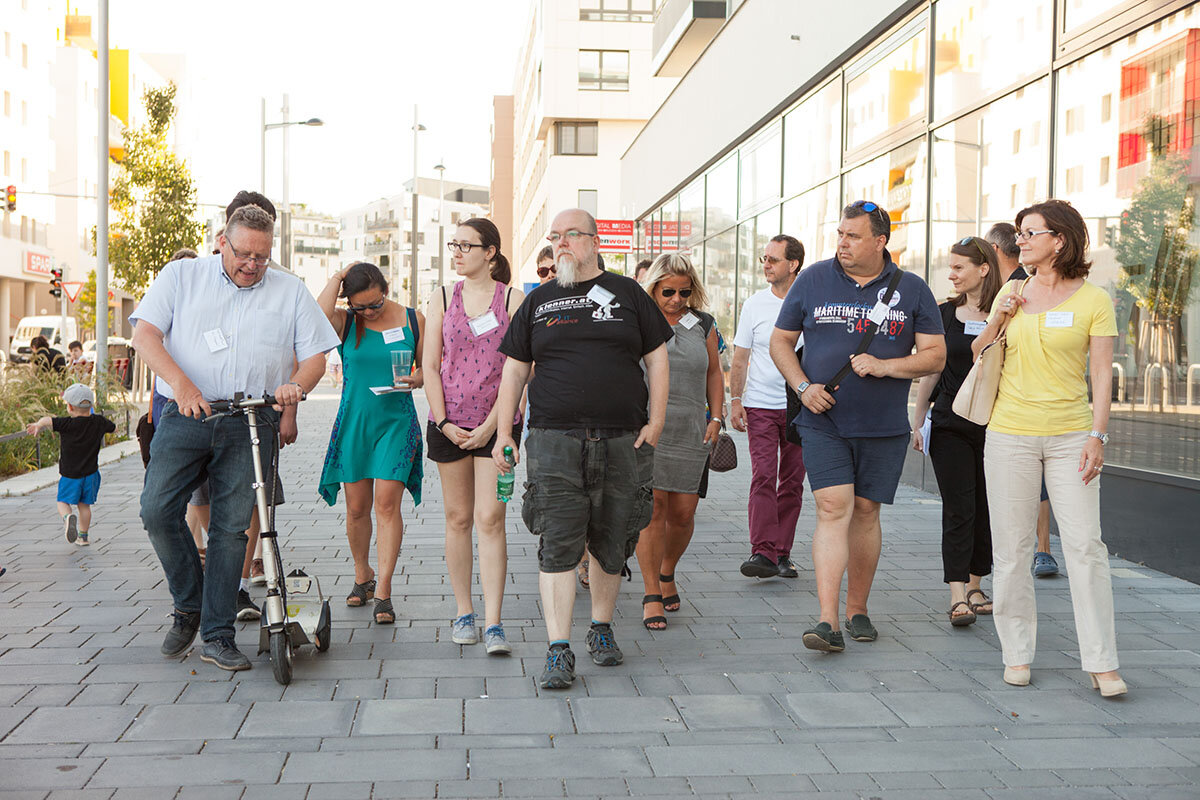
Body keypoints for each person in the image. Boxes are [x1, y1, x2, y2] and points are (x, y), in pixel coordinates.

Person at [130, 203, 339, 672]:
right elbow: (144, 336)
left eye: (262, 257)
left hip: (250, 418)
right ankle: (190, 602)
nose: (252, 265)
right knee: (156, 509)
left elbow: (316, 358)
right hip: (189, 412)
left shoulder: (289, 291)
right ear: (222, 240)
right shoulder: (183, 277)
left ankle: (217, 634)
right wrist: (182, 386)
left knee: (230, 529)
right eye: (243, 253)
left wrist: (296, 387)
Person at [492, 208, 671, 689]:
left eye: (571, 235)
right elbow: (514, 369)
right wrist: (505, 431)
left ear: (595, 242)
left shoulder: (630, 294)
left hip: (623, 438)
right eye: (555, 237)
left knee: (613, 538)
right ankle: (557, 648)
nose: (561, 244)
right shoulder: (537, 301)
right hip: (554, 439)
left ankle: (601, 628)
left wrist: (656, 420)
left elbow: (656, 359)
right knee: (558, 540)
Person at [770, 201, 945, 652]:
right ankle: (826, 620)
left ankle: (857, 609)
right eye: (840, 233)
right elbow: (781, 341)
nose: (842, 243)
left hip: (883, 425)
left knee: (866, 512)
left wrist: (887, 367)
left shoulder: (913, 289)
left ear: (880, 241)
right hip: (822, 419)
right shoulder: (813, 278)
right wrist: (803, 386)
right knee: (832, 506)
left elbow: (935, 356)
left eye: (852, 235)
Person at [973, 200, 1125, 696]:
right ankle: (1016, 654)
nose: (1022, 240)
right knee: (1013, 549)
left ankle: (1102, 663)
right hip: (1010, 434)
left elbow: (1101, 374)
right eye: (1019, 233)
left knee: (1086, 546)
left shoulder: (1094, 300)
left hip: (1070, 437)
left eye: (1031, 232)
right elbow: (978, 354)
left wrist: (1097, 435)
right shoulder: (1011, 291)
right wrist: (1000, 317)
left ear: (1060, 239)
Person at [423, 219, 524, 652]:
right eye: (454, 244)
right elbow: (429, 365)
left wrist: (492, 427)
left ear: (491, 252)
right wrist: (445, 422)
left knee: (491, 518)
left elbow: (523, 370)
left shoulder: (514, 300)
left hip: (497, 425)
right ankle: (464, 612)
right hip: (448, 423)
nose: (458, 251)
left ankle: (495, 622)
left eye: (467, 245)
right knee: (459, 518)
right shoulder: (442, 297)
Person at [317, 262, 424, 626]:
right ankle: (363, 576)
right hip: (355, 421)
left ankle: (384, 592)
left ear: (386, 288)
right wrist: (337, 277)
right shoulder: (347, 322)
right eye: (359, 306)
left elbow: (431, 368)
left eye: (374, 304)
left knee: (387, 504)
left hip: (396, 420)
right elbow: (317, 316)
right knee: (357, 507)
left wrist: (418, 377)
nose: (368, 312)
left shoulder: (413, 319)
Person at [911, 237, 1003, 626]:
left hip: (997, 423)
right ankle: (956, 593)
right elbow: (932, 366)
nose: (952, 274)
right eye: (951, 267)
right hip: (950, 422)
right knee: (959, 507)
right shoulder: (943, 313)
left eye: (959, 267)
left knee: (986, 506)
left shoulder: (1006, 312)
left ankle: (975, 584)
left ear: (983, 268)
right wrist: (918, 417)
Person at [634, 253, 724, 630]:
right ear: (653, 286)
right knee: (653, 510)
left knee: (683, 513)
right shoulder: (638, 320)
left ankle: (668, 570)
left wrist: (716, 417)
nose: (676, 300)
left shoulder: (702, 324)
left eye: (684, 292)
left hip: (691, 428)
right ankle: (651, 590)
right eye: (668, 291)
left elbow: (716, 373)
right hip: (648, 427)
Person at [730, 235, 807, 579]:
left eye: (773, 259)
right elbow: (741, 357)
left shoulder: (810, 303)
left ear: (793, 265)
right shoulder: (754, 305)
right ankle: (762, 552)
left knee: (791, 483)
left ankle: (782, 553)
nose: (766, 264)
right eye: (765, 258)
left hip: (801, 408)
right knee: (763, 476)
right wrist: (735, 400)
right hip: (760, 405)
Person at [987, 222, 1058, 577]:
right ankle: (1030, 552)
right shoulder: (1004, 289)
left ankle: (1040, 549)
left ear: (994, 252)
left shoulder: (1023, 285)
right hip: (1006, 406)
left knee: (1037, 480)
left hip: (1031, 408)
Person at [26, 383, 116, 547]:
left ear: (69, 406)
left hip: (70, 474)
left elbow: (47, 420)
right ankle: (83, 537)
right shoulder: (99, 422)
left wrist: (38, 425)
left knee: (62, 501)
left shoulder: (66, 423)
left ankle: (68, 518)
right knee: (84, 506)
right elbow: (113, 427)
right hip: (91, 474)